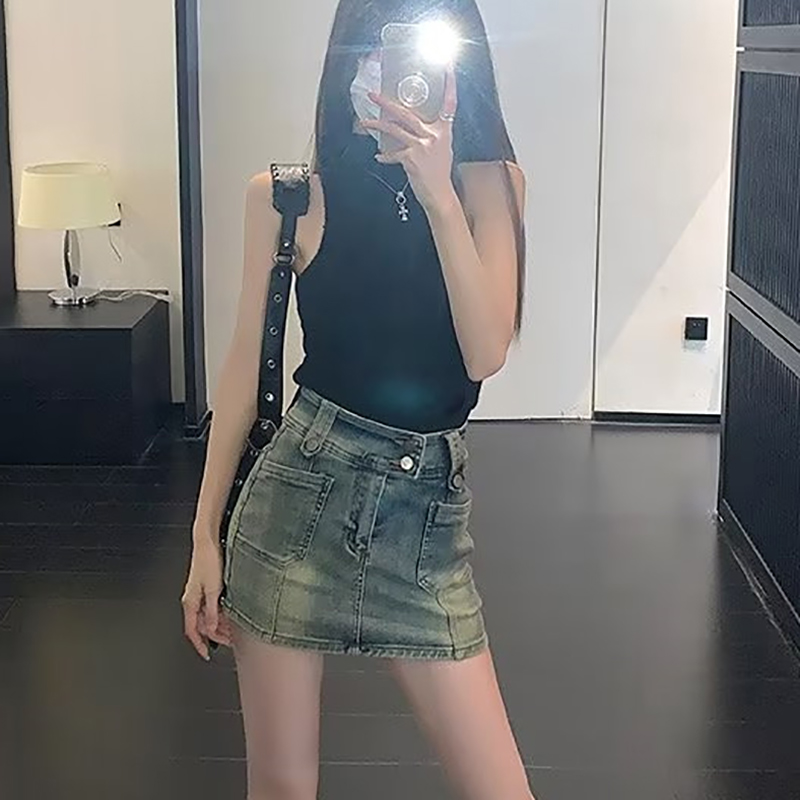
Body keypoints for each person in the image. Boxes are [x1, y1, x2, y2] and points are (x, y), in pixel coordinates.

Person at [182, 1, 532, 798]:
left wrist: (436, 192)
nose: (395, 68)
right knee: (282, 789)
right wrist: (204, 534)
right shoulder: (286, 197)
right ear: (350, 59)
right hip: (296, 508)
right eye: (377, 43)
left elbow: (485, 351)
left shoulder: (492, 185)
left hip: (425, 526)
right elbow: (241, 369)